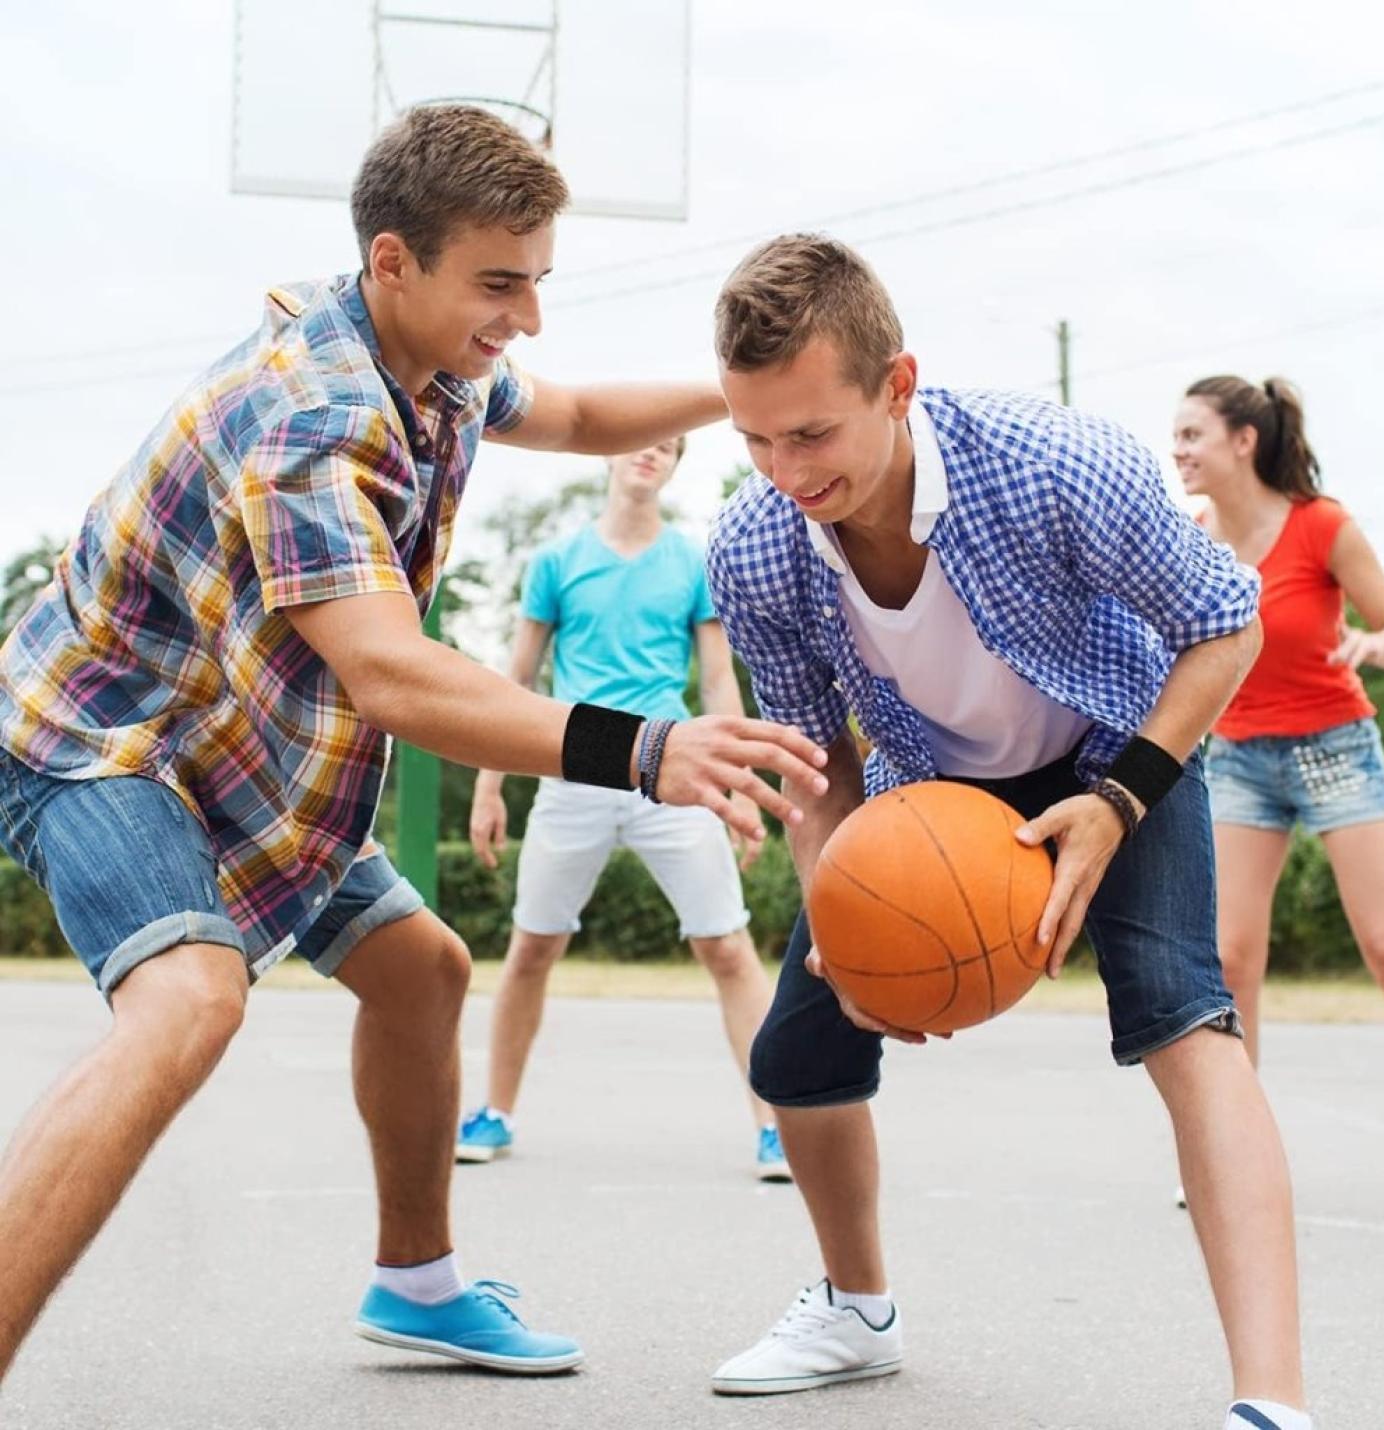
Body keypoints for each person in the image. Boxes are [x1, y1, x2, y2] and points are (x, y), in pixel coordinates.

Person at [0, 106, 828, 1387]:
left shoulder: (428, 359)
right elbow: (388, 672)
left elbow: (581, 412)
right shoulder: (310, 421)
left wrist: (764, 392)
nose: (526, 318)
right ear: (394, 260)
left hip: (244, 750)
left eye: (538, 282)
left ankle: (417, 1282)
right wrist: (644, 747)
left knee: (424, 973)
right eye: (500, 285)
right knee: (190, 1002)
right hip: (109, 742)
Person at [701, 234, 1312, 1430]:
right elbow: (815, 757)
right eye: (755, 439)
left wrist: (1122, 796)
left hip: (1120, 750)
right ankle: (854, 1309)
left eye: (811, 434)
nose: (784, 469)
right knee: (795, 1057)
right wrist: (835, 908)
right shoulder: (754, 544)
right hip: (930, 790)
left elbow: (1224, 625)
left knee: (1188, 1021)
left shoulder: (1051, 463)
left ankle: (1271, 1401)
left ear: (895, 383)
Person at [458, 436, 791, 1180]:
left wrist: (735, 785)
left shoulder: (693, 563)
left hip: (673, 766)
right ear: (610, 455)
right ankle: (494, 1111)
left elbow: (716, 684)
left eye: (669, 447)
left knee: (727, 949)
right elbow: (513, 683)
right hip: (575, 765)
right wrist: (489, 784)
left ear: (675, 467)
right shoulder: (555, 563)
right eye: (640, 441)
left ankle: (777, 1125)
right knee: (532, 950)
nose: (651, 453)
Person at [1173, 376, 1384, 1074]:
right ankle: (1236, 1162)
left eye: (1193, 434)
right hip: (1237, 759)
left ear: (1244, 440)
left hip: (1335, 749)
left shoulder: (1322, 525)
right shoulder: (1195, 540)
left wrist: (1377, 646)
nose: (1178, 450)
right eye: (1177, 436)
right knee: (1228, 957)